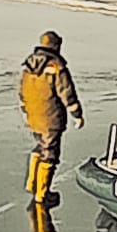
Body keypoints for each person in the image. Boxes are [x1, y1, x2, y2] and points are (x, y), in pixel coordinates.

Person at [19, 30, 84, 208]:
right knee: (50, 154)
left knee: (40, 146)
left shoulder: (28, 65)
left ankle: (32, 182)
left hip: (33, 115)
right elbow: (67, 93)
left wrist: (26, 110)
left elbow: (22, 91)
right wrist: (77, 114)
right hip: (51, 116)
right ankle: (42, 194)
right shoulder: (56, 67)